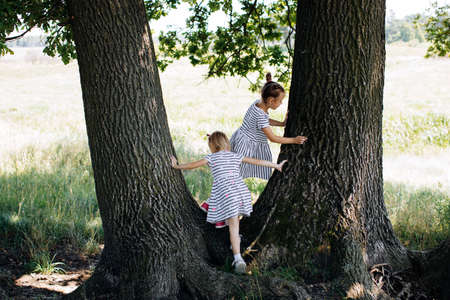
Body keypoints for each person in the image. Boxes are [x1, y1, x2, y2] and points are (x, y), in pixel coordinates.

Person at [170, 131, 287, 274]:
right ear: (226, 143)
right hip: (239, 193)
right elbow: (257, 161)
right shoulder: (234, 156)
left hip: (225, 195)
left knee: (233, 226)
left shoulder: (211, 158)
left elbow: (192, 165)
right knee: (234, 222)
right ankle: (235, 244)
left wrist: (176, 166)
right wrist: (276, 166)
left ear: (212, 146)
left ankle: (238, 259)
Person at [230, 72, 307, 180]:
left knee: (236, 172)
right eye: (280, 101)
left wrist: (282, 123)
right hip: (247, 146)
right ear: (271, 100)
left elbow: (265, 121)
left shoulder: (257, 103)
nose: (281, 103)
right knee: (236, 173)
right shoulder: (260, 115)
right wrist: (294, 140)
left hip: (241, 138)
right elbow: (273, 138)